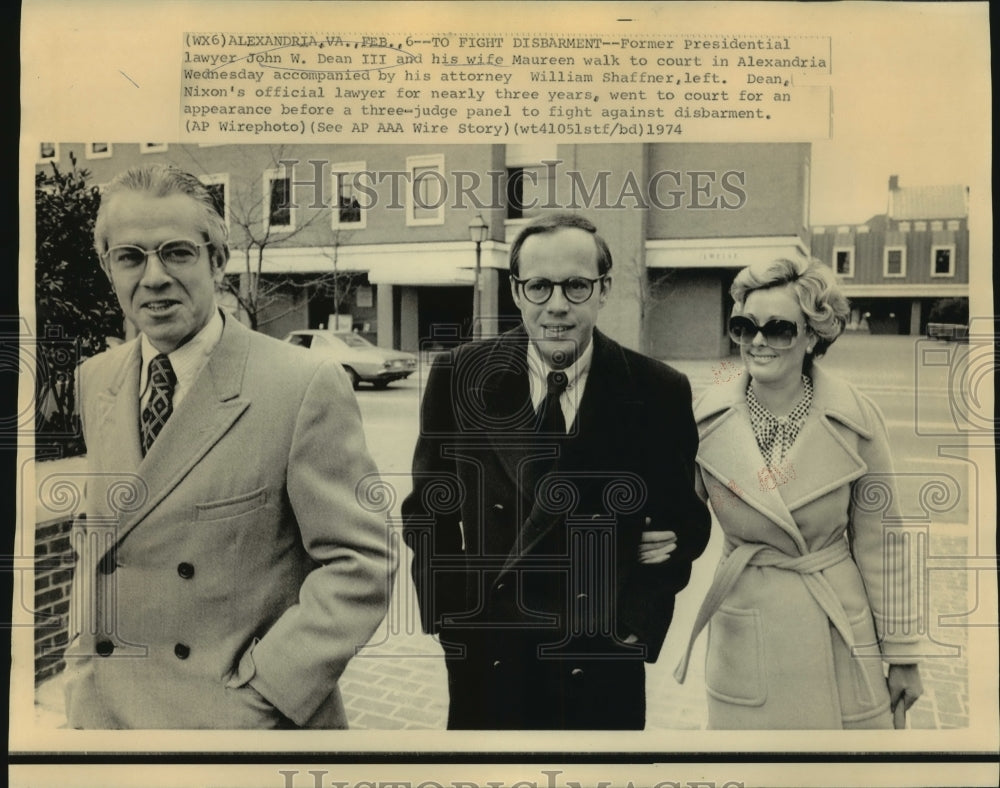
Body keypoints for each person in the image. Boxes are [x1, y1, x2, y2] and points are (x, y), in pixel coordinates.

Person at [63, 165, 395, 729]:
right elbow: (99, 543)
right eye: (130, 257)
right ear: (107, 269)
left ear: (218, 260)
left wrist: (265, 694)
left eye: (177, 252)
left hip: (239, 726)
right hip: (110, 719)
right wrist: (80, 674)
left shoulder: (303, 384)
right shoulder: (96, 378)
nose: (155, 277)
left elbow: (361, 564)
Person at [401, 214, 711, 729]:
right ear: (517, 291)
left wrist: (637, 622)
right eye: (539, 286)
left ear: (603, 289)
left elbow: (685, 525)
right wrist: (450, 618)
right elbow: (426, 512)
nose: (557, 305)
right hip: (491, 652)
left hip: (599, 660)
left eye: (576, 285)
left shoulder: (658, 390)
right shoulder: (459, 375)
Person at [671, 257, 923, 729]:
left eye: (780, 329)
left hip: (837, 631)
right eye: (744, 327)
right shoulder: (702, 419)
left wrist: (904, 653)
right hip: (747, 626)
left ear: (812, 336)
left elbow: (883, 543)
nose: (759, 342)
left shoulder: (856, 419)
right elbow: (673, 519)